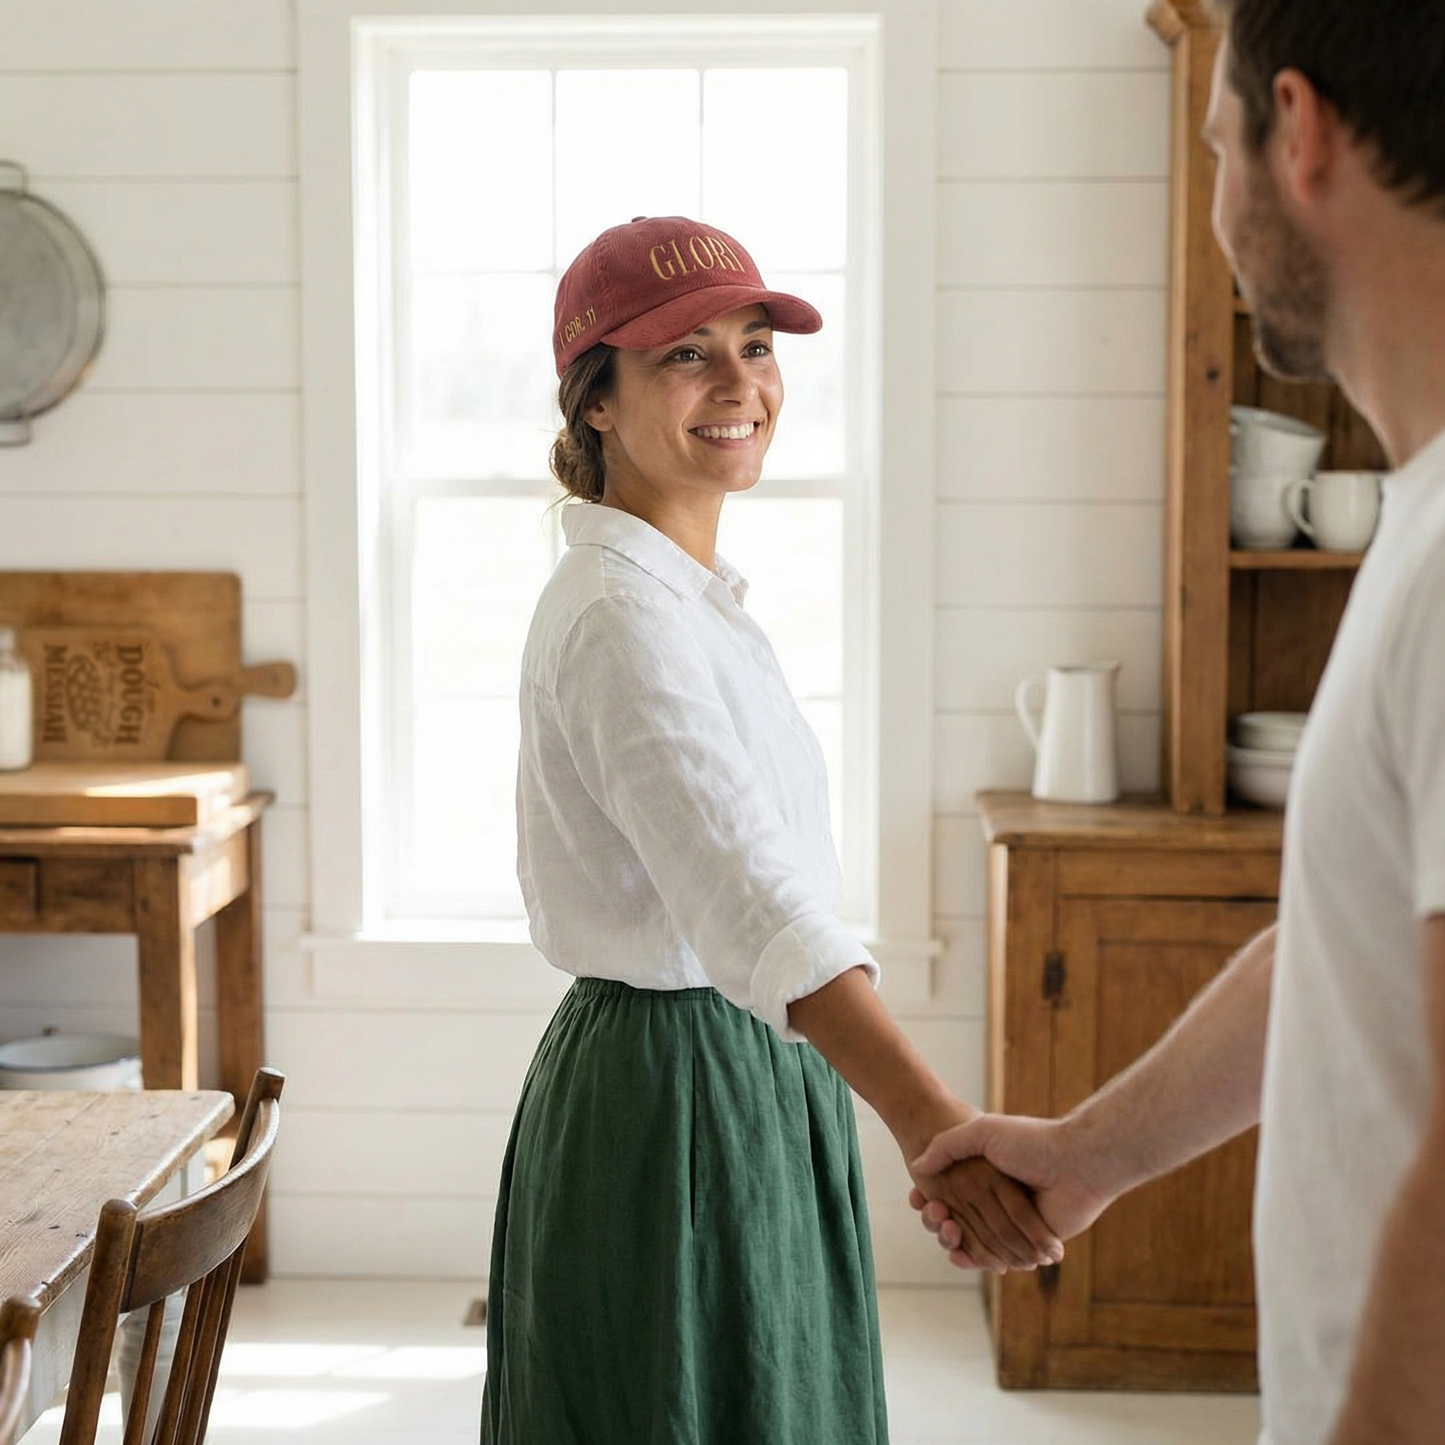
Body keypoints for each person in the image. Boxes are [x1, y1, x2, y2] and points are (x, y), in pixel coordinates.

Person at [909, 4, 1445, 1443]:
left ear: (1302, 132)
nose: (1217, 206)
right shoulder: (1418, 521)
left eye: (1219, 151)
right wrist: (1087, 1155)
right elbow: (1344, 954)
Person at [478, 216, 1061, 1444]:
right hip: (669, 1091)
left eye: (755, 344)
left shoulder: (676, 599)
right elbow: (752, 897)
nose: (740, 383)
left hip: (750, 1066)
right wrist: (935, 1127)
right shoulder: (618, 618)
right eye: (685, 355)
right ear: (594, 401)